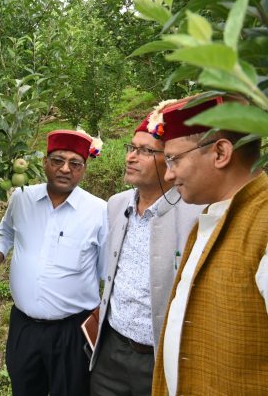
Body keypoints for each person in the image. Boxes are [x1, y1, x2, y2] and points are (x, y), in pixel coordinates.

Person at [149, 94, 268, 395]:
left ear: (220, 153)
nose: (168, 174)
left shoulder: (263, 223)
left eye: (174, 159)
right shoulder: (213, 216)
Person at [89, 106, 202, 395]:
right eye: (131, 148)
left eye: (145, 151)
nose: (131, 157)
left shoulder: (193, 213)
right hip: (110, 348)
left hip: (159, 357)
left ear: (171, 160)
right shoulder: (117, 204)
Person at [0, 129, 108, 396]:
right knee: (24, 388)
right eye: (57, 160)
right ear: (44, 162)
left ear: (84, 169)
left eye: (75, 163)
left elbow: (108, 273)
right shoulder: (21, 198)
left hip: (72, 332)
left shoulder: (99, 211)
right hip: (24, 327)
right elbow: (5, 231)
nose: (65, 169)